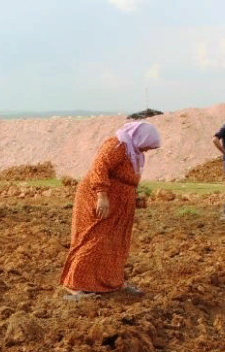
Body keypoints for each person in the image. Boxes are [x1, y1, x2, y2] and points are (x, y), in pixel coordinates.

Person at [60, 121, 161, 300]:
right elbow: (99, 167)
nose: (146, 150)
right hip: (97, 200)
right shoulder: (117, 145)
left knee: (115, 243)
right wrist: (102, 195)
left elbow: (125, 180)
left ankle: (112, 283)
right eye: (146, 145)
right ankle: (75, 285)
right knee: (93, 239)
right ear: (140, 138)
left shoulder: (133, 153)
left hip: (117, 206)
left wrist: (134, 197)